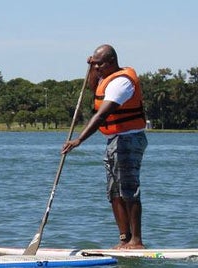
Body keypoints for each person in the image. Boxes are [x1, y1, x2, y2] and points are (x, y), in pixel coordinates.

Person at [61, 44, 148, 249]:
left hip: (128, 140)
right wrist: (92, 68)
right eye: (95, 63)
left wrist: (78, 140)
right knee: (114, 192)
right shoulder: (104, 77)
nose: (97, 67)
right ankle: (124, 239)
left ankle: (137, 241)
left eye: (99, 64)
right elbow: (93, 87)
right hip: (114, 141)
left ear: (111, 62)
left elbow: (101, 115)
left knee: (128, 189)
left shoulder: (121, 82)